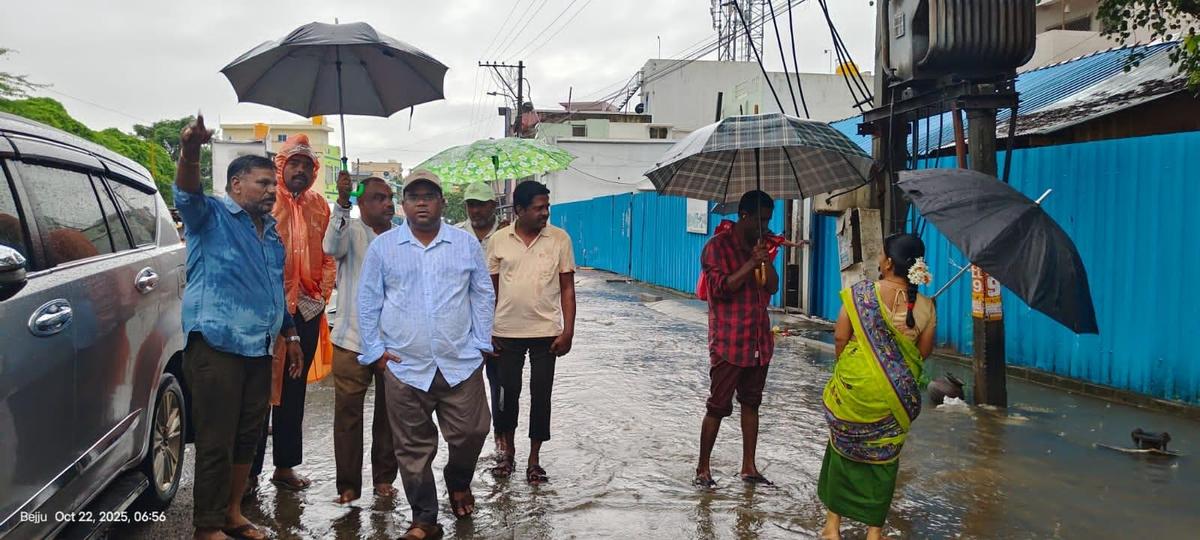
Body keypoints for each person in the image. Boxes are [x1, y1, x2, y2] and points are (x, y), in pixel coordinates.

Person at [173, 115, 302, 540]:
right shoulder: (209, 216)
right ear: (235, 186)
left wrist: (291, 334)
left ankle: (231, 513)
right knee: (217, 438)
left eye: (273, 185)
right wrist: (192, 150)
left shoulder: (272, 236)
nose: (271, 191)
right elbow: (187, 190)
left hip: (260, 347)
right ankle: (206, 525)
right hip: (216, 343)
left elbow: (273, 291)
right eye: (262, 183)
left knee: (248, 435)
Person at [357, 170, 495, 540]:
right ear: (403, 204)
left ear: (440, 203)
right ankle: (424, 519)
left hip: (460, 362)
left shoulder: (464, 245)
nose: (421, 202)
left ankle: (458, 478)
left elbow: (482, 294)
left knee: (473, 430)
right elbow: (368, 302)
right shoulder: (383, 248)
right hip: (405, 368)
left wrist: (481, 343)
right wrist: (376, 353)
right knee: (412, 449)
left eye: (429, 195)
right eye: (413, 195)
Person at [819, 233, 935, 540]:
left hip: (853, 391)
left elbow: (841, 339)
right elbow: (922, 354)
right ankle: (874, 532)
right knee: (884, 462)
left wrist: (852, 371)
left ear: (887, 263)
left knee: (841, 451)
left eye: (882, 254)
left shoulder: (860, 295)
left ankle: (832, 526)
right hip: (895, 398)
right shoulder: (925, 307)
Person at [251, 134, 336, 492]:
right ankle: (248, 473)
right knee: (258, 390)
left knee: (293, 390)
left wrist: (321, 293)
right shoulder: (267, 201)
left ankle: (284, 467)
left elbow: (330, 253)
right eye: (294, 164)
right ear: (281, 166)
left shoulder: (320, 205)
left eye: (307, 165)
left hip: (308, 306)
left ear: (314, 170)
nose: (300, 170)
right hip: (267, 307)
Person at [486, 180, 576, 484]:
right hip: (506, 332)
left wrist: (568, 331)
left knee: (542, 397)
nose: (545, 213)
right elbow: (490, 291)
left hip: (546, 333)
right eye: (538, 208)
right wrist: (487, 330)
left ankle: (534, 460)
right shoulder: (498, 240)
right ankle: (508, 454)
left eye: (547, 207)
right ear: (519, 210)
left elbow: (567, 288)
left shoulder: (559, 239)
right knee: (506, 395)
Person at [694, 190, 779, 489]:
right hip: (729, 341)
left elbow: (773, 286)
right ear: (744, 216)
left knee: (752, 403)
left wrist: (764, 261)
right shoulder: (716, 247)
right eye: (759, 219)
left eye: (768, 220)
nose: (765, 226)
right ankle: (703, 469)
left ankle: (749, 467)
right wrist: (748, 264)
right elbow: (720, 288)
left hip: (758, 340)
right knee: (717, 406)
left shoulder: (763, 246)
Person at [324, 172, 399, 505]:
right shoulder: (350, 231)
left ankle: (384, 478)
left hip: (392, 343)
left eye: (389, 198)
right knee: (348, 417)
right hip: (351, 339)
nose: (387, 203)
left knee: (390, 415)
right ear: (361, 203)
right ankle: (348, 486)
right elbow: (330, 247)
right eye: (378, 198)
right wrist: (341, 202)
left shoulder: (402, 238)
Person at [454, 181, 507, 458]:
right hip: (464, 325)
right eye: (471, 204)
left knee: (500, 385)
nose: (475, 210)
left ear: (492, 205)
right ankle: (465, 442)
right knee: (465, 386)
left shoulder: (507, 233)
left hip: (500, 322)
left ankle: (501, 436)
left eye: (481, 204)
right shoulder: (456, 235)